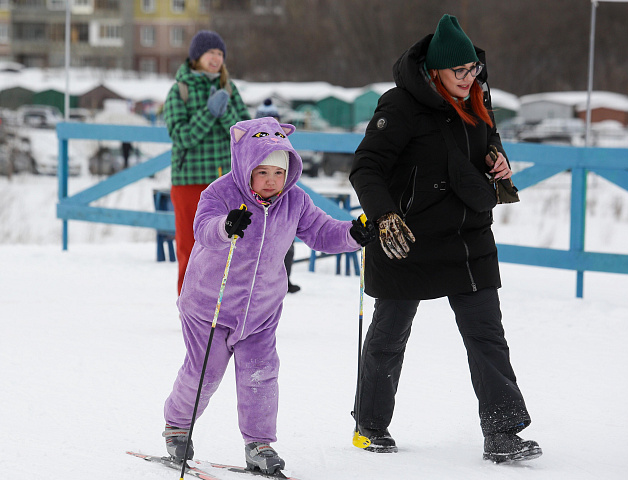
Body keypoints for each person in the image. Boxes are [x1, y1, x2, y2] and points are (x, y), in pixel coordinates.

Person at [348, 14, 541, 464]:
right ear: (434, 70)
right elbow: (365, 167)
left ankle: (503, 431)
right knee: (389, 337)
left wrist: (497, 160)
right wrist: (384, 215)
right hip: (406, 236)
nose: (469, 77)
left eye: (474, 68)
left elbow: (486, 143)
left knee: (486, 335)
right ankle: (369, 425)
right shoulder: (400, 106)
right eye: (460, 70)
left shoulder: (477, 99)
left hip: (467, 237)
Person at [163, 116, 377, 474]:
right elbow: (203, 229)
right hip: (209, 306)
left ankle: (258, 443)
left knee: (260, 375)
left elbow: (321, 231)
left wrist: (352, 234)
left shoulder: (294, 201)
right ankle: (177, 427)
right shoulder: (220, 192)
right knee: (204, 372)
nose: (271, 181)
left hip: (261, 311)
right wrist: (225, 226)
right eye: (262, 172)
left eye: (279, 173)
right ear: (245, 166)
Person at [163, 30, 250, 295]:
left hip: (225, 182)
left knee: (228, 247)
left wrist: (224, 114)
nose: (216, 58)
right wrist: (209, 112)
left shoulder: (229, 89)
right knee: (190, 246)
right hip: (189, 182)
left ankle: (223, 304)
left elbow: (244, 136)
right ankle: (188, 303)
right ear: (197, 56)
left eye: (220, 53)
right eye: (210, 52)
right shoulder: (180, 90)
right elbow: (182, 136)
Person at [254, 98, 300, 294]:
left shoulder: (283, 142)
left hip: (280, 197)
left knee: (286, 238)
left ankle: (285, 278)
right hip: (256, 199)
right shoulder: (252, 142)